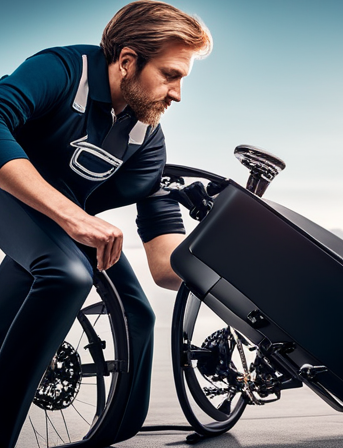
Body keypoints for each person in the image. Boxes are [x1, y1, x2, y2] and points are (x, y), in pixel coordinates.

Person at [0, 1, 211, 446]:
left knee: (138, 313)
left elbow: (165, 264)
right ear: (128, 61)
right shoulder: (61, 68)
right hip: (8, 192)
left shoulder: (147, 137)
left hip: (58, 225)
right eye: (170, 75)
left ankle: (111, 434)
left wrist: (233, 280)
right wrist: (74, 217)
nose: (177, 94)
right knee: (66, 273)